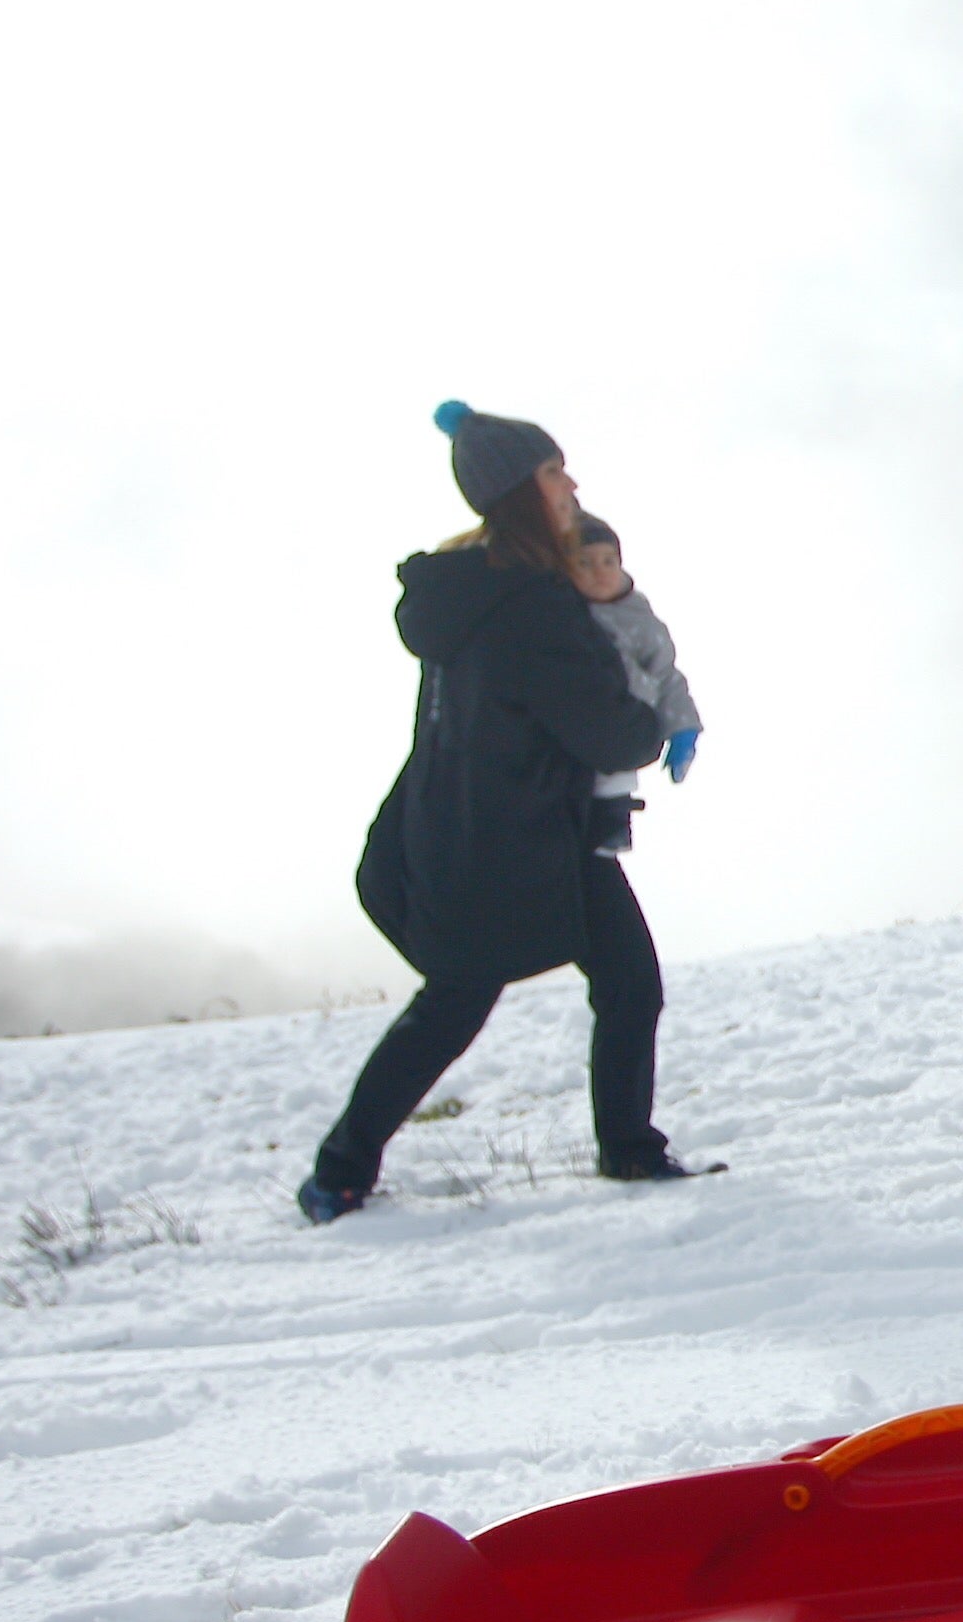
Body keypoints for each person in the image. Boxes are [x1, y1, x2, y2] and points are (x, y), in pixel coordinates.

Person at [298, 402, 715, 1223]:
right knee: (452, 1007)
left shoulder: (477, 586)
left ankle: (629, 1148)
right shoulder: (531, 605)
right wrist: (653, 717)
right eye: (556, 472)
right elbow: (610, 727)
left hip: (507, 832)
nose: (572, 485)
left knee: (628, 982)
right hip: (502, 848)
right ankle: (339, 1172)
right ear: (525, 490)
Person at [564, 512, 705, 857]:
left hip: (628, 722)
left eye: (608, 561)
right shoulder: (566, 612)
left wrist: (682, 726)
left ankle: (613, 823)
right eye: (585, 563)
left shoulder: (640, 619)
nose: (600, 572)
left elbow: (666, 675)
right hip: (581, 725)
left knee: (615, 779)